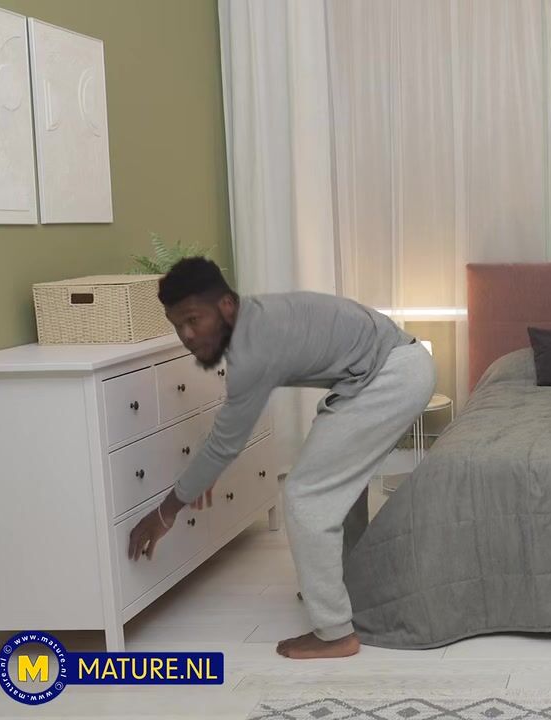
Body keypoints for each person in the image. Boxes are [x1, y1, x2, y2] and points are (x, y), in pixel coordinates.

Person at [127, 258, 435, 659]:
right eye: (177, 325)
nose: (186, 335)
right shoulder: (255, 318)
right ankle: (344, 588)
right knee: (334, 486)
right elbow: (227, 433)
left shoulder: (253, 347)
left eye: (193, 320)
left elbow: (225, 442)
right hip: (383, 370)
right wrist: (206, 469)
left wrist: (165, 512)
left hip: (391, 377)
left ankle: (335, 633)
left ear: (224, 306)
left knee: (305, 495)